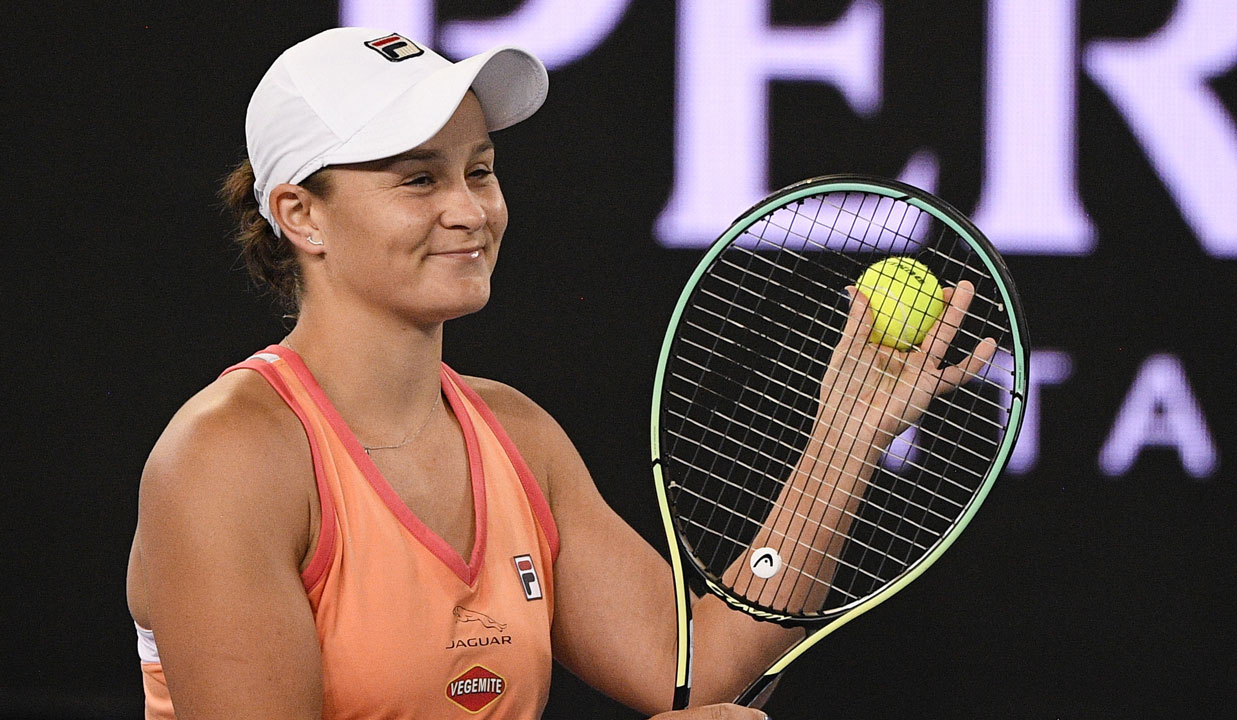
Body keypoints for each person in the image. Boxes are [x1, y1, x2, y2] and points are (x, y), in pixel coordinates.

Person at [126, 27, 990, 720]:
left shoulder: (516, 434)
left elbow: (689, 673)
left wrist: (840, 443)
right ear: (301, 216)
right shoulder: (227, 459)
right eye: (417, 179)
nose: (468, 210)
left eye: (480, 171)